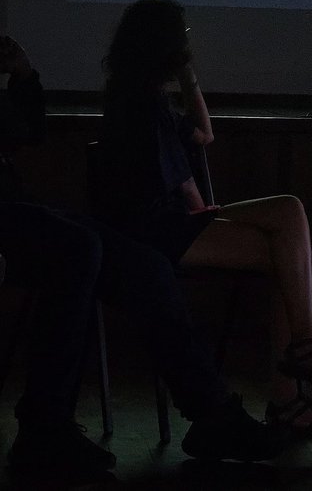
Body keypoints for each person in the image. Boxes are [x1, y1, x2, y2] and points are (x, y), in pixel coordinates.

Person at [0, 32, 288, 481]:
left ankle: (213, 414)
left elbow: (27, 132)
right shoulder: (138, 108)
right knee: (79, 248)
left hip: (14, 204)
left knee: (147, 266)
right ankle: (44, 426)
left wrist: (22, 75)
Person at [96, 0, 312, 440]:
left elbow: (204, 134)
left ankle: (303, 352)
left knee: (288, 214)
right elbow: (178, 181)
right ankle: (292, 386)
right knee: (284, 249)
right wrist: (204, 211)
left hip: (171, 222)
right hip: (152, 231)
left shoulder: (147, 94)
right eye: (182, 37)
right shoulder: (137, 101)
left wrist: (188, 78)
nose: (188, 44)